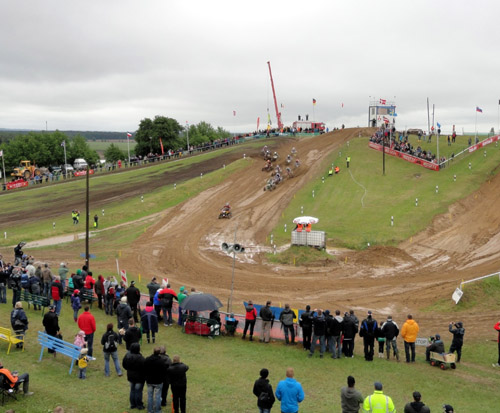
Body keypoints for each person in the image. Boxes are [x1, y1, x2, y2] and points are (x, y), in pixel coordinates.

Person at [122, 342, 146, 410]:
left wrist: (129, 369)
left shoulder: (127, 356)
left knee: (132, 390)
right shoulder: (140, 358)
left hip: (131, 376)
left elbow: (124, 365)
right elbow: (144, 367)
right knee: (138, 391)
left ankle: (132, 404)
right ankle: (139, 405)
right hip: (139, 377)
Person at [145, 347, 168, 413]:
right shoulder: (161, 361)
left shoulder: (147, 359)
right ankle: (157, 410)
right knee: (158, 396)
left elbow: (144, 368)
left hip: (149, 380)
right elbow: (164, 371)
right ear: (159, 353)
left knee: (150, 396)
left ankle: (150, 410)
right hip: (158, 381)